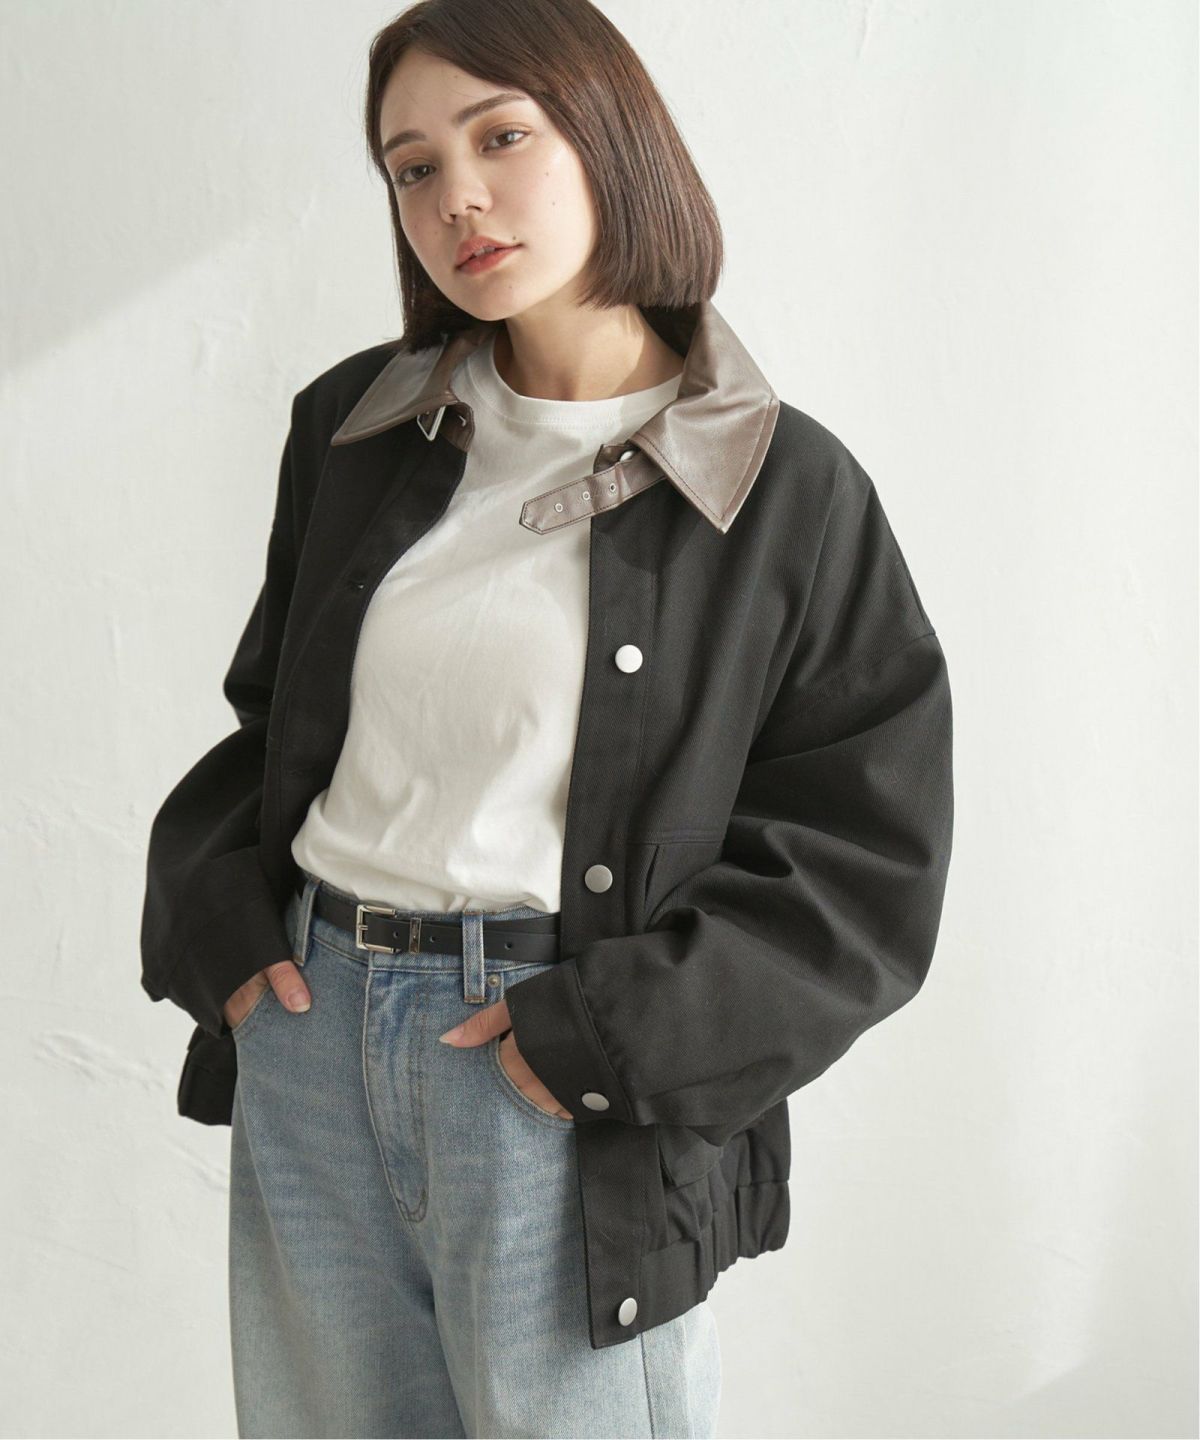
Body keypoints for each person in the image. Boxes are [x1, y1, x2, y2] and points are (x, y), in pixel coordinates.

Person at [139, 1, 955, 1436]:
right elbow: (274, 723)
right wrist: (223, 927)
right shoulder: (356, 428)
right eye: (412, 167)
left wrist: (601, 1040)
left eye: (501, 137)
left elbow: (864, 867)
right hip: (314, 1038)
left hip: (550, 1073)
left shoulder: (783, 490)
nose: (457, 196)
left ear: (610, 138)